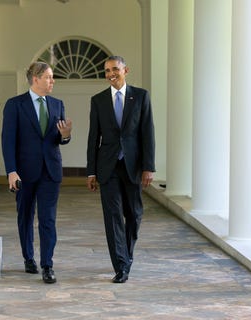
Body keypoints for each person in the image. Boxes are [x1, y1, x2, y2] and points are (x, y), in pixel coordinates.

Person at [86, 56, 155, 283]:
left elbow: (147, 133)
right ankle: (121, 266)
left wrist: (148, 167)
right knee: (113, 215)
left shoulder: (141, 96)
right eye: (106, 70)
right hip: (108, 167)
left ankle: (126, 255)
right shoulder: (98, 100)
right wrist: (91, 171)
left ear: (126, 70)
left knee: (134, 215)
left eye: (115, 69)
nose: (110, 74)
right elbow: (93, 137)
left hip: (133, 166)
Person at [2, 61, 72, 284]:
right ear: (36, 79)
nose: (52, 81)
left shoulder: (57, 104)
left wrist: (66, 135)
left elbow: (59, 139)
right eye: (49, 77)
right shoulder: (15, 105)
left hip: (50, 172)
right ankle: (28, 257)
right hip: (24, 172)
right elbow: (8, 141)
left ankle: (47, 265)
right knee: (25, 216)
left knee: (48, 220)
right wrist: (11, 171)